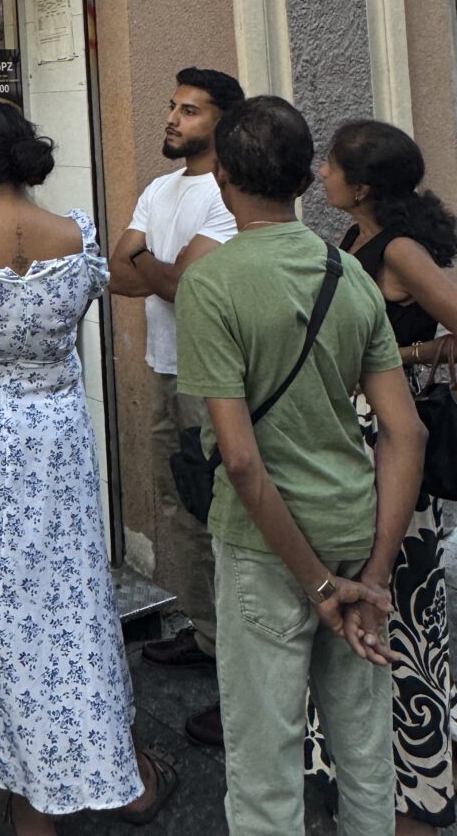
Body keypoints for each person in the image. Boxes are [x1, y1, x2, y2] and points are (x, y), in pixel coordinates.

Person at [0, 99, 178, 834]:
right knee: (66, 604)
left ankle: (17, 789)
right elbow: (88, 301)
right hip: (51, 440)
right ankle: (108, 774)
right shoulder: (76, 236)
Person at [176, 96, 426, 836]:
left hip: (266, 552)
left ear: (222, 175)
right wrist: (373, 576)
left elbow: (243, 463)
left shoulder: (212, 282)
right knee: (366, 755)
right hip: (357, 531)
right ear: (302, 181)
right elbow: (403, 432)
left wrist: (319, 584)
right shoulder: (347, 273)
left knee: (265, 767)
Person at [305, 120, 457, 834]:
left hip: (393, 451)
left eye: (331, 164)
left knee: (397, 611)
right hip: (357, 450)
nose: (322, 172)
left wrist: (409, 353)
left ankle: (415, 799)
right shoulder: (358, 239)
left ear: (360, 185)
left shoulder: (396, 248)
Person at [108, 65, 244, 745]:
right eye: (172, 106)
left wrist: (158, 274)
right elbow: (115, 269)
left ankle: (245, 676)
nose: (172, 119)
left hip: (210, 378)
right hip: (163, 367)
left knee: (224, 514)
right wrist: (170, 275)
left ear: (222, 123)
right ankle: (209, 635)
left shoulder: (227, 195)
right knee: (178, 507)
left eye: (189, 111)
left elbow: (188, 286)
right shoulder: (161, 189)